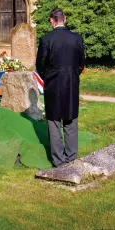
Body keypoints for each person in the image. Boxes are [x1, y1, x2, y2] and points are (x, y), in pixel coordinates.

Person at [35, 9, 85, 168]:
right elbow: (81, 63)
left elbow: (40, 66)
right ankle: (71, 157)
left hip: (53, 84)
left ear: (52, 20)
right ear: (65, 19)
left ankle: (58, 160)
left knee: (54, 122)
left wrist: (48, 78)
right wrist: (72, 74)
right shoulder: (77, 38)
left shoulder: (46, 39)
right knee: (70, 119)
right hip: (71, 83)